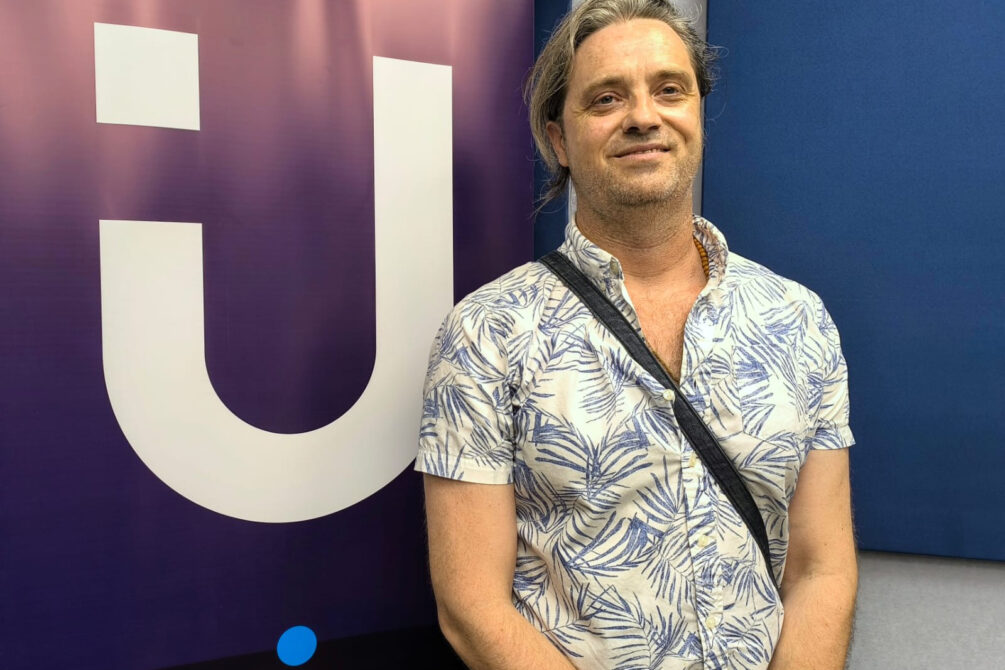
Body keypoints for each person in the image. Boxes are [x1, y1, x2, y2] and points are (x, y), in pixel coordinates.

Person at [416, 1, 857, 668]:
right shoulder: (485, 334)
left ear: (697, 113)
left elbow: (821, 569)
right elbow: (471, 608)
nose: (644, 117)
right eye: (606, 98)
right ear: (559, 140)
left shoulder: (797, 319)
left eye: (669, 89)